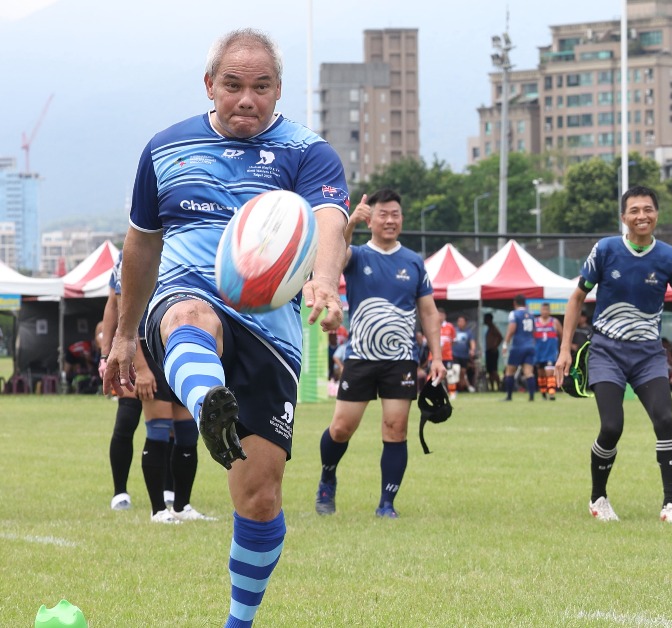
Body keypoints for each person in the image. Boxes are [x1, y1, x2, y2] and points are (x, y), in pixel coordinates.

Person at [104, 29, 348, 627]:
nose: (246, 99)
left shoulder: (307, 152)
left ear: (278, 89)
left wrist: (322, 278)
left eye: (260, 87)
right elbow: (141, 244)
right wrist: (124, 335)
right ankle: (208, 399)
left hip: (271, 332)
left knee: (260, 497)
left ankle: (238, 623)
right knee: (191, 314)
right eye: (233, 85)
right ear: (209, 84)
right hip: (186, 299)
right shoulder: (165, 149)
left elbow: (329, 219)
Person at [555, 185, 672, 524]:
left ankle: (670, 504)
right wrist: (564, 350)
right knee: (612, 426)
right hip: (606, 352)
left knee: (665, 420)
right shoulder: (605, 249)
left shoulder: (670, 257)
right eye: (634, 210)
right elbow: (576, 298)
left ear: (657, 214)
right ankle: (598, 498)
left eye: (648, 209)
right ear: (623, 217)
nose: (641, 216)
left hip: (648, 355)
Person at [315, 189, 446, 519]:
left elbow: (428, 312)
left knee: (395, 428)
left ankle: (387, 503)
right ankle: (327, 477)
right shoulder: (358, 255)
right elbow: (335, 256)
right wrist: (349, 225)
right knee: (341, 428)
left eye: (395, 214)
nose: (390, 220)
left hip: (401, 359)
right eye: (383, 214)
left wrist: (437, 357)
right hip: (360, 356)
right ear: (370, 219)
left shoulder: (414, 261)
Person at [99, 252, 213, 523]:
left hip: (177, 344)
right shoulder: (135, 253)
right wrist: (141, 367)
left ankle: (182, 505)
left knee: (187, 431)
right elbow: (122, 312)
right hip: (147, 350)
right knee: (155, 428)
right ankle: (157, 509)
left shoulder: (182, 248)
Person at [502, 295, 538, 401]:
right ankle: (531, 397)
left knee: (510, 371)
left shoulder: (514, 314)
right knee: (528, 372)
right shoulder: (531, 315)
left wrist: (505, 344)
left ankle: (509, 396)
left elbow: (512, 329)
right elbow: (534, 331)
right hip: (530, 346)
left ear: (515, 303)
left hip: (518, 346)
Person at [533, 302, 563, 400]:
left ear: (550, 311)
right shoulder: (535, 322)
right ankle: (543, 393)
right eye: (543, 310)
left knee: (550, 372)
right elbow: (531, 337)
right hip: (539, 352)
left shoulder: (554, 322)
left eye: (547, 310)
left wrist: (562, 348)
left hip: (550, 352)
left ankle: (551, 393)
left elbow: (562, 335)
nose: (545, 312)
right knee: (541, 373)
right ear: (540, 311)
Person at [452, 315, 477, 393]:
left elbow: (472, 342)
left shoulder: (469, 332)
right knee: (456, 370)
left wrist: (472, 350)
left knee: (462, 373)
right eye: (459, 321)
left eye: (462, 321)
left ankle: (462, 387)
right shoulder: (454, 331)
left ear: (465, 323)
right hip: (455, 355)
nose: (460, 323)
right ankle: (455, 388)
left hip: (464, 356)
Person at [437, 308, 459, 399]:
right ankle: (436, 393)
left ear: (445, 316)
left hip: (447, 356)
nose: (440, 317)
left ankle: (452, 392)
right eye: (438, 315)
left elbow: (453, 340)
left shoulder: (450, 326)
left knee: (450, 374)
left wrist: (446, 348)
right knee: (435, 375)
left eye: (442, 315)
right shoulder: (432, 325)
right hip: (435, 357)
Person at [483, 313, 502, 392]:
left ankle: (498, 386)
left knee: (494, 370)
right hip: (489, 351)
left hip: (492, 351)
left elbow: (500, 337)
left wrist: (495, 346)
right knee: (490, 371)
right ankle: (492, 387)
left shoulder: (493, 328)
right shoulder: (489, 328)